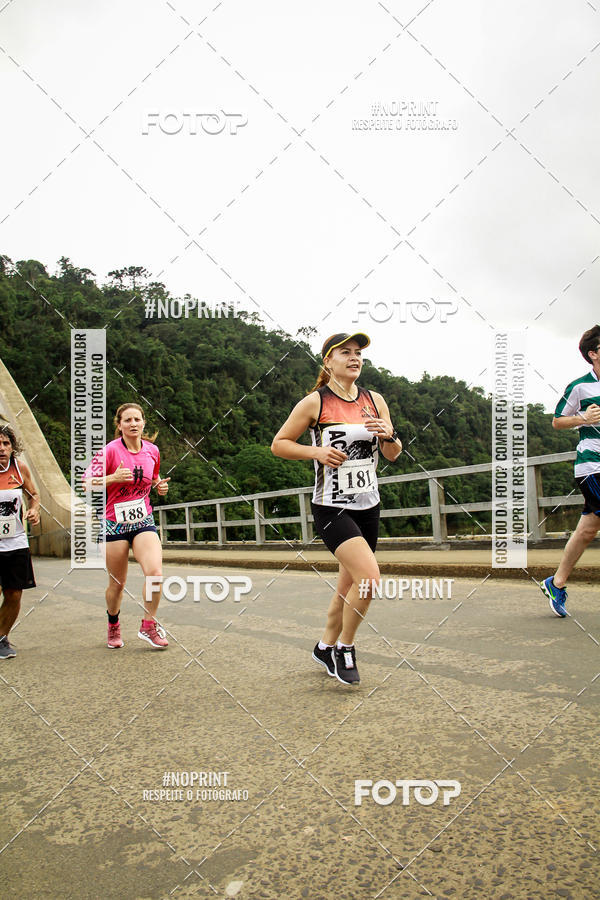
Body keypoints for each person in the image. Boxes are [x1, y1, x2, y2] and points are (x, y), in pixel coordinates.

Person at [271, 333, 402, 684]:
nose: (354, 357)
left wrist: (389, 435)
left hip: (368, 505)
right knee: (370, 579)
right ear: (328, 361)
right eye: (345, 352)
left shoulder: (375, 400)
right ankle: (345, 647)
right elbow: (279, 444)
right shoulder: (314, 402)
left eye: (358, 353)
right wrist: (316, 452)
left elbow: (393, 454)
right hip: (332, 507)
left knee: (348, 585)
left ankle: (324, 645)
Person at [84, 403, 171, 649]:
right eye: (127, 420)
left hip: (143, 521)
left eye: (137, 419)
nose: (133, 424)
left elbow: (153, 478)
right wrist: (112, 478)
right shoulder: (109, 451)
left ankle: (148, 625)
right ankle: (113, 623)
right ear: (119, 424)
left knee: (155, 573)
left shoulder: (152, 451)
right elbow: (86, 484)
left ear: (143, 423)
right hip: (114, 524)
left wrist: (159, 487)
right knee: (117, 584)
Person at [541, 325, 600, 616]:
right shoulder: (580, 387)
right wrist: (583, 417)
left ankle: (557, 582)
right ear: (593, 354)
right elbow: (557, 421)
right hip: (592, 465)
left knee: (589, 528)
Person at [0, 423, 40, 659]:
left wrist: (34, 510)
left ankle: (2, 637)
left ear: (12, 447)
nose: (2, 448)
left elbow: (34, 494)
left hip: (15, 542)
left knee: (14, 594)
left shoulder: (19, 468)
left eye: (6, 443)